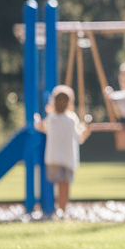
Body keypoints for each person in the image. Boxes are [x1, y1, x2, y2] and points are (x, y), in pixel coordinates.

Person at [36, 85, 90, 214]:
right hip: (67, 158)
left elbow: (42, 128)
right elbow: (80, 138)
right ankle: (62, 209)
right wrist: (86, 130)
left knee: (55, 185)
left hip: (54, 157)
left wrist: (38, 120)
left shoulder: (51, 118)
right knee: (64, 184)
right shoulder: (70, 119)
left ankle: (55, 208)